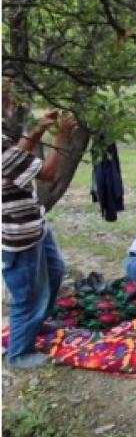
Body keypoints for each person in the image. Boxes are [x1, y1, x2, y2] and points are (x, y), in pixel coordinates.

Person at [2, 103, 75, 369]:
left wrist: (38, 129)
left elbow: (18, 152)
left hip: (33, 224)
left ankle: (38, 321)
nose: (8, 105)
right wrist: (61, 135)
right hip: (19, 235)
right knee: (27, 293)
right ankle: (19, 353)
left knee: (54, 271)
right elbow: (48, 174)